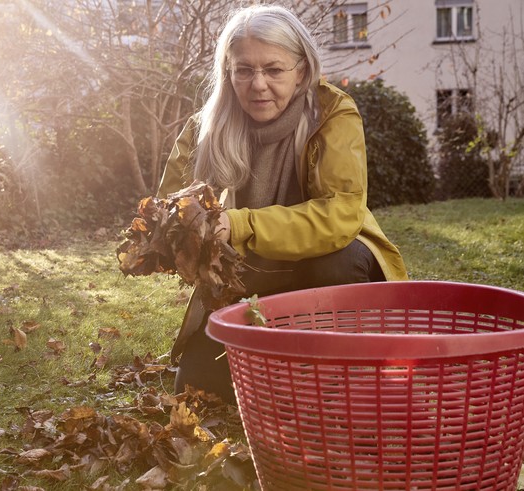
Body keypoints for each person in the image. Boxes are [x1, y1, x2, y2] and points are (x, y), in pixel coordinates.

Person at [157, 5, 408, 402]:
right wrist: (174, 232)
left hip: (324, 271)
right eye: (244, 70)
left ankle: (343, 372)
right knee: (198, 387)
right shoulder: (204, 128)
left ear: (301, 71)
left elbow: (339, 214)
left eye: (274, 70)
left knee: (337, 259)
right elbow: (170, 208)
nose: (258, 85)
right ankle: (282, 366)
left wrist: (238, 225)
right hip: (248, 283)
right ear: (229, 71)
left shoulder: (332, 114)